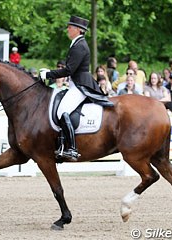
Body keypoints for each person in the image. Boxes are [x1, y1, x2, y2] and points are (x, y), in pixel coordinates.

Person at [39, 15, 113, 161]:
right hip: (75, 84)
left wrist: (48, 74)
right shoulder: (76, 43)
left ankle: (72, 148)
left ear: (78, 30)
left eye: (70, 27)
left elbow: (69, 70)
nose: (68, 29)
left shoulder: (80, 45)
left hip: (80, 85)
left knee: (62, 111)